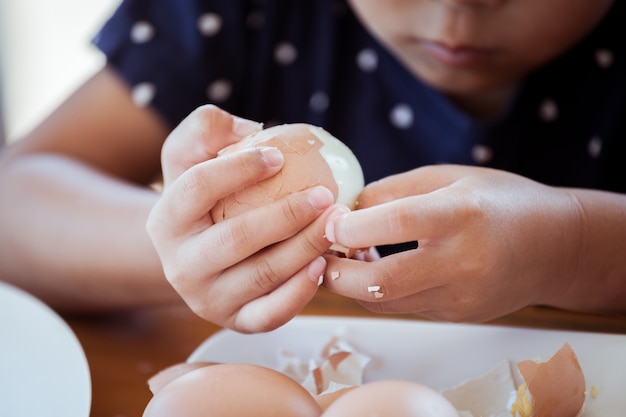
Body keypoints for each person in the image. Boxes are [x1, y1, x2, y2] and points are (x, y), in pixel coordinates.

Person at [0, 0, 624, 332]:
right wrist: (203, 247)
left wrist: (576, 249)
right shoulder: (248, 11)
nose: (459, 5)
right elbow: (15, 203)